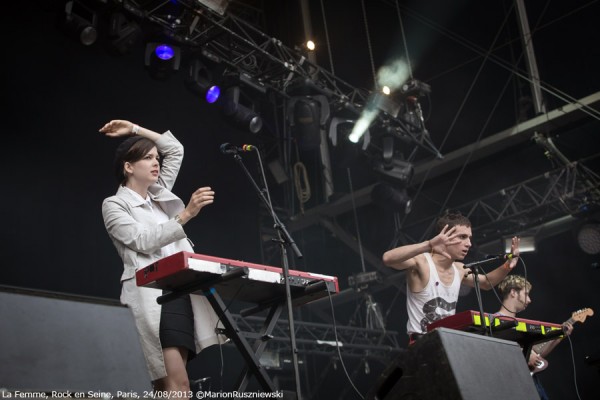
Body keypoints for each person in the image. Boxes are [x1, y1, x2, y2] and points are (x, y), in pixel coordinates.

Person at [100, 120, 224, 396]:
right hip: (153, 296)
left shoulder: (158, 196)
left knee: (174, 387)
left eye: (157, 158)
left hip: (179, 294)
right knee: (173, 385)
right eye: (147, 158)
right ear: (128, 166)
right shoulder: (115, 204)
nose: (156, 162)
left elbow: (175, 149)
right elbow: (143, 241)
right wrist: (187, 213)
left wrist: (134, 129)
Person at [382, 211, 520, 344]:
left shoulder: (459, 269)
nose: (469, 243)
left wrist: (508, 265)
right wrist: (429, 244)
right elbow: (388, 259)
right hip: (422, 343)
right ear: (445, 236)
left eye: (469, 238)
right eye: (462, 237)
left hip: (448, 342)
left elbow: (486, 283)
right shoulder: (422, 262)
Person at [496, 275, 574, 399]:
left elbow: (537, 356)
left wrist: (560, 336)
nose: (529, 300)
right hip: (511, 385)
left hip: (530, 382)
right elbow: (496, 350)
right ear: (513, 293)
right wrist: (524, 353)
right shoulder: (495, 320)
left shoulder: (523, 324)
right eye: (526, 294)